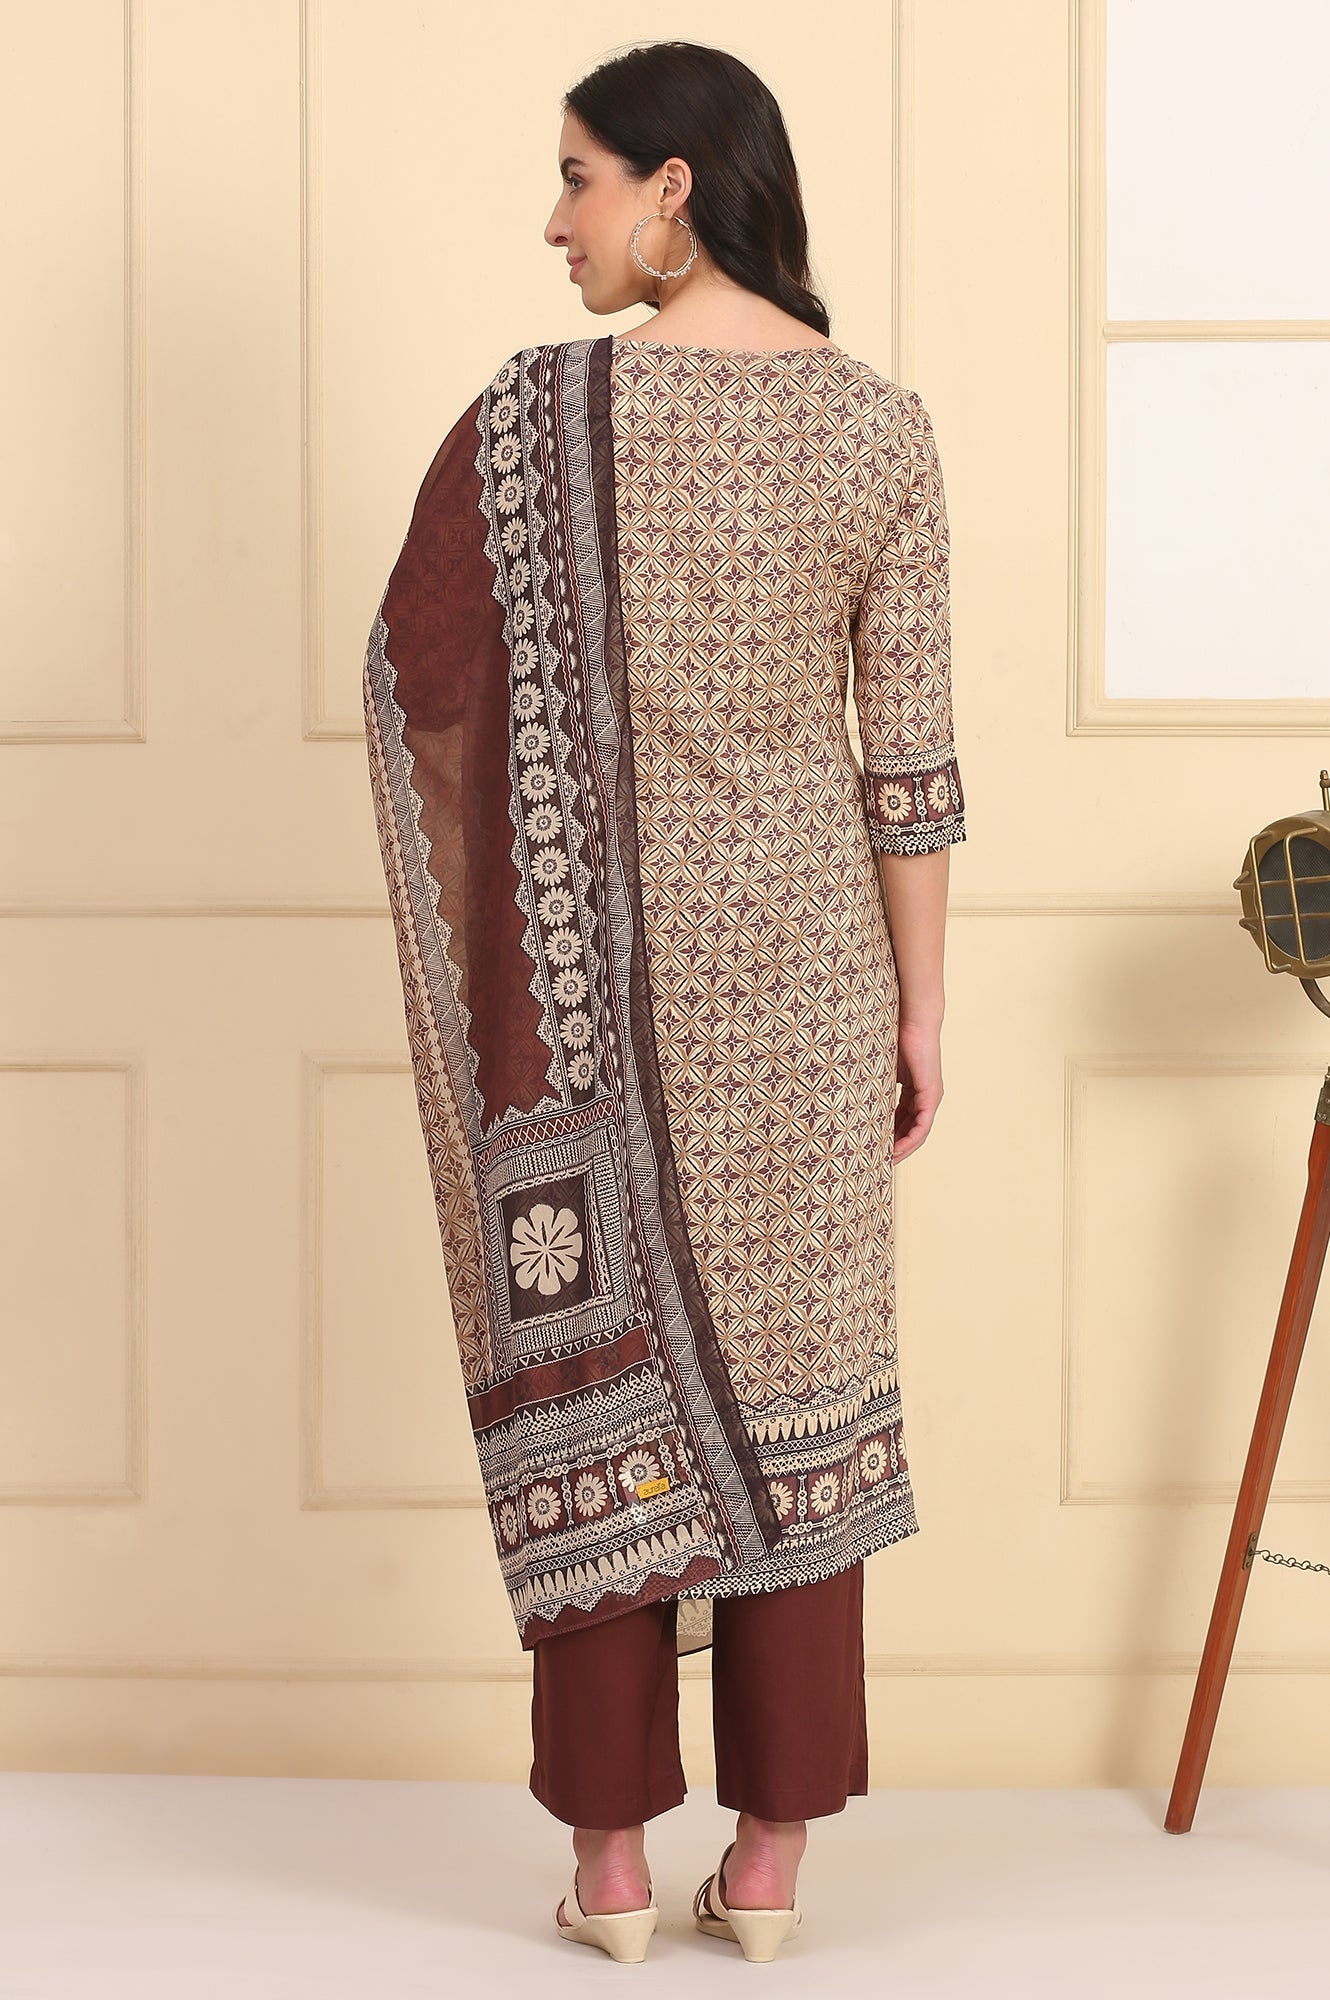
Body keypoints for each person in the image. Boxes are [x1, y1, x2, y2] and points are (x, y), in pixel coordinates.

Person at [363, 37, 965, 1965]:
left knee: (590, 1387)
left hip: (586, 1016)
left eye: (578, 179)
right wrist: (918, 1012)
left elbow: (412, 680)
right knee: (807, 1394)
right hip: (804, 994)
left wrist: (538, 868)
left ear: (673, 188)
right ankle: (769, 1867)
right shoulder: (879, 430)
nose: (556, 223)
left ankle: (611, 1865)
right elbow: (910, 773)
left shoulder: (535, 418)